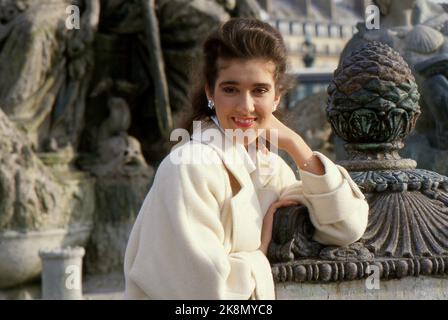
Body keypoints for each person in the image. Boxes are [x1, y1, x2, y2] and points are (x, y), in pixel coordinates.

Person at [123, 18, 369, 300]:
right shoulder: (188, 167)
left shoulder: (270, 167)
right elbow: (202, 297)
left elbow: (345, 227)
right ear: (209, 92)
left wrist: (296, 145)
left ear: (277, 97)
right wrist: (259, 253)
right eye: (230, 89)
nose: (246, 106)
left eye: (259, 90)